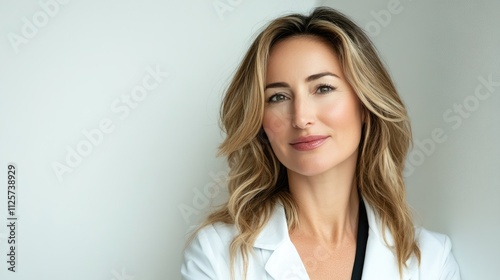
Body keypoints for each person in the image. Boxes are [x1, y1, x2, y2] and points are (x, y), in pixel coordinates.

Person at [181, 6, 460, 280]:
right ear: (260, 122)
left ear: (365, 104)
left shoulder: (430, 260)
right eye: (278, 97)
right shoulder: (217, 254)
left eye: (323, 88)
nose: (301, 118)